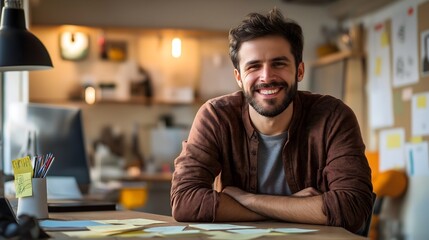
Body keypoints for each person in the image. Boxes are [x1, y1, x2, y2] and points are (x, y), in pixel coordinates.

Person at [170, 8, 373, 234]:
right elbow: (185, 201)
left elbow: (353, 207)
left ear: (299, 70)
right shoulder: (216, 116)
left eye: (279, 64)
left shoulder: (334, 116)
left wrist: (248, 199)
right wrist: (294, 208)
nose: (266, 77)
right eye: (254, 66)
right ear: (238, 77)